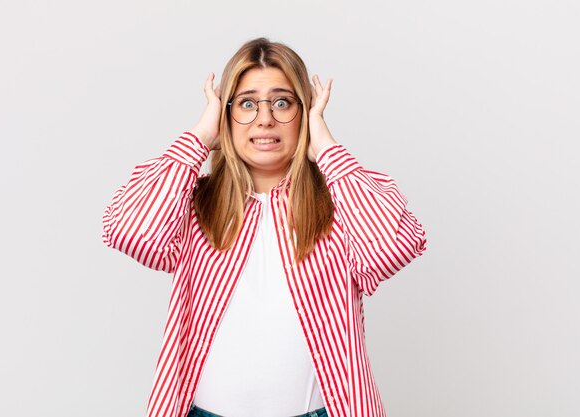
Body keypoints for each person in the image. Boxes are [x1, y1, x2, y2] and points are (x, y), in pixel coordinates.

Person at [103, 37, 427, 417]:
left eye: (282, 102)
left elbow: (392, 247)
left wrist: (324, 146)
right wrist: (203, 136)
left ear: (304, 111)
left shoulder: (340, 203)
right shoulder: (194, 203)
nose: (265, 118)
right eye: (246, 103)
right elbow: (129, 230)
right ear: (226, 114)